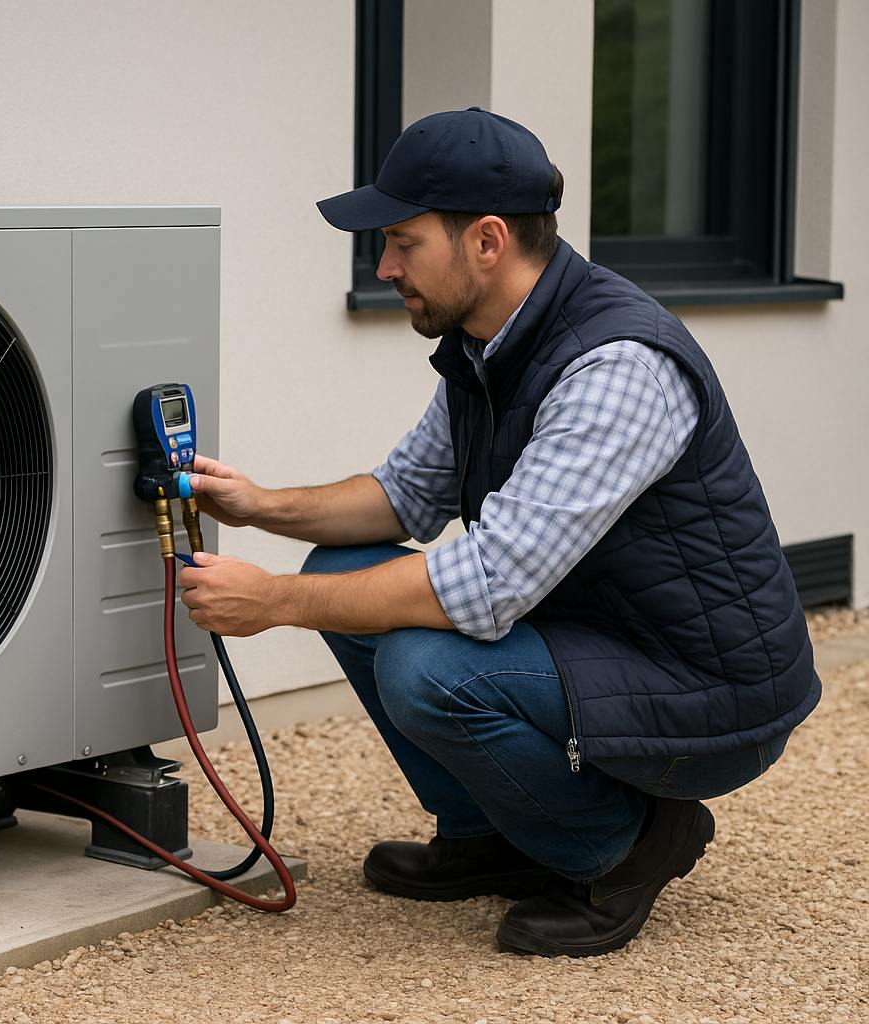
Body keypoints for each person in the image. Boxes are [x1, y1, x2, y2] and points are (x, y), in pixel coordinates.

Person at [177, 106, 820, 957]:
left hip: (705, 689)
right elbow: (405, 497)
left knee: (426, 663)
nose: (386, 264)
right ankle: (489, 835)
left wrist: (277, 602)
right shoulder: (489, 347)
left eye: (405, 241)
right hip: (601, 638)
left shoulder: (617, 367)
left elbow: (482, 586)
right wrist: (261, 505)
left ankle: (621, 846)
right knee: (348, 564)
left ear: (485, 242)